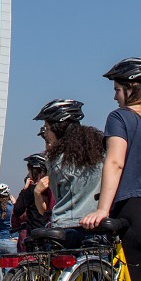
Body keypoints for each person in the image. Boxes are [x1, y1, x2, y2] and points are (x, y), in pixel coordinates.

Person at [83, 59, 141, 281]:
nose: (115, 97)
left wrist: (102, 210)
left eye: (117, 90)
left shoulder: (120, 117)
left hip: (135, 209)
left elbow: (115, 162)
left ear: (132, 89)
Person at [35, 99, 104, 247]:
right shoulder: (100, 153)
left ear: (58, 128)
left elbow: (56, 193)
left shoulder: (55, 160)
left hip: (64, 226)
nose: (45, 133)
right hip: (94, 224)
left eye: (47, 128)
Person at [10, 153, 53, 251]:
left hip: (36, 235)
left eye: (29, 171)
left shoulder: (31, 189)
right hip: (53, 233)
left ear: (34, 171)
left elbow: (17, 210)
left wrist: (25, 189)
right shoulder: (52, 186)